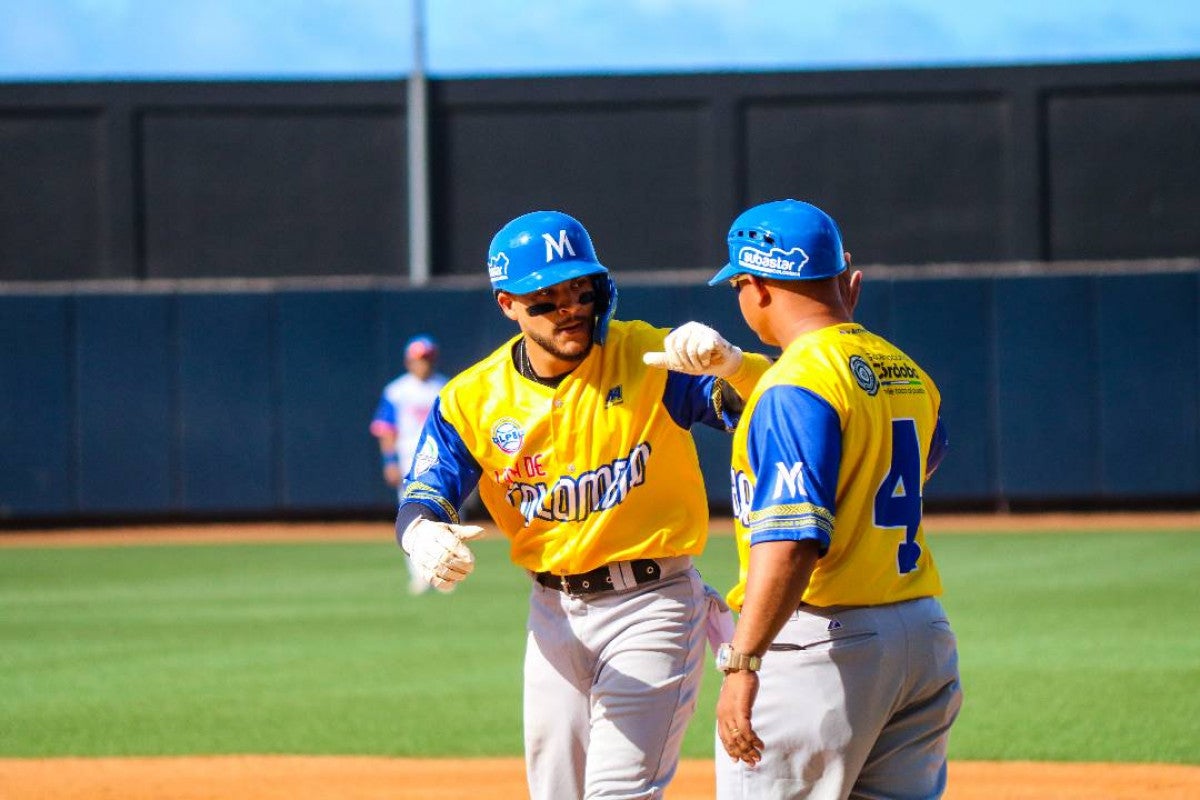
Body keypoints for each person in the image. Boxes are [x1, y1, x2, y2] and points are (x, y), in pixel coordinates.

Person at [392, 209, 770, 800]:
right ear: (507, 305)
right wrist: (422, 532)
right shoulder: (472, 398)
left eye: (579, 289)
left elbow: (762, 414)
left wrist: (734, 365)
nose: (569, 307)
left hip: (654, 604)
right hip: (553, 615)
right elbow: (425, 493)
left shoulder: (649, 357)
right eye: (545, 298)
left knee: (620, 792)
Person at [706, 199, 962, 799]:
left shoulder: (797, 383)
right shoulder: (906, 368)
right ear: (851, 283)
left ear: (758, 289)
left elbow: (793, 539)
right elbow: (928, 457)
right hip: (922, 636)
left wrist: (743, 662)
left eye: (738, 286)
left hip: (822, 645)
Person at [370, 334, 446, 595]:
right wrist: (389, 460)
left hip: (440, 462)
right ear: (408, 361)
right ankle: (419, 574)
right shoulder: (397, 390)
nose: (422, 363)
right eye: (417, 359)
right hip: (409, 462)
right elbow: (386, 429)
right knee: (413, 518)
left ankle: (447, 573)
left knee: (447, 514)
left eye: (425, 358)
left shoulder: (444, 387)